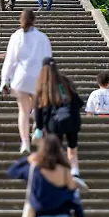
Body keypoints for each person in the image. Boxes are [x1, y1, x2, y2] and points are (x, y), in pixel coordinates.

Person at [7, 135, 89, 217]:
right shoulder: (65, 172)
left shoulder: (35, 169)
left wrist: (27, 159)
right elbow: (75, 202)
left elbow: (12, 171)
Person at [0, 9, 52, 153]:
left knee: (23, 111)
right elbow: (48, 59)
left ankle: (25, 143)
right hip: (38, 77)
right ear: (34, 20)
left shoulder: (16, 36)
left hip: (21, 78)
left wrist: (4, 80)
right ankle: (37, 128)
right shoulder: (42, 38)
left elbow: (10, 60)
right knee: (37, 107)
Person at [33, 58, 87, 189]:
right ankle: (75, 173)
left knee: (55, 150)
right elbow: (79, 102)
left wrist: (39, 128)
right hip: (72, 119)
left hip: (54, 123)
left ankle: (58, 175)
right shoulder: (66, 81)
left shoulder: (43, 85)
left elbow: (38, 110)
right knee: (72, 149)